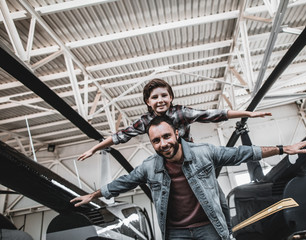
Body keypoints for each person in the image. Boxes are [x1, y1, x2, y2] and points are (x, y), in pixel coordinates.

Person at [77, 78, 272, 234]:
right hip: (167, 162)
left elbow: (212, 114)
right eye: (154, 97)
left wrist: (247, 114)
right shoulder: (146, 121)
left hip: (192, 162)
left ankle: (224, 228)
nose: (160, 100)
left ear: (171, 98)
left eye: (164, 95)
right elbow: (120, 136)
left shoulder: (181, 113)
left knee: (213, 195)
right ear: (148, 101)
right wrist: (95, 148)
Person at [71, 115, 306, 240]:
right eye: (156, 140)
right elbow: (123, 182)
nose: (163, 144)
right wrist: (94, 194)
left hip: (209, 226)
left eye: (166, 136)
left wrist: (282, 148)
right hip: (175, 232)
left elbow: (241, 153)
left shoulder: (203, 153)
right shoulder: (149, 167)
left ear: (176, 133)